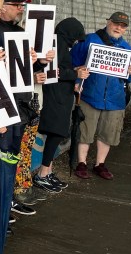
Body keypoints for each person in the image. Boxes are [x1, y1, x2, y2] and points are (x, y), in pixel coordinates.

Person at [0, 0, 53, 213]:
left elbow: (25, 68)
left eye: (22, 5)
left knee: (14, 154)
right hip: (2, 102)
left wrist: (41, 62)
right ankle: (2, 203)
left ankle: (10, 198)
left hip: (22, 103)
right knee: (2, 154)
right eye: (17, 5)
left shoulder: (19, 31)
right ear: (3, 6)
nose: (21, 9)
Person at [71, 11, 131, 180]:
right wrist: (77, 73)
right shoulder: (89, 40)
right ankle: (82, 163)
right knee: (85, 131)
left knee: (108, 133)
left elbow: (128, 77)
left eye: (123, 26)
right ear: (108, 22)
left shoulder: (128, 50)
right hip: (90, 95)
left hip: (114, 99)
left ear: (125, 29)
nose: (118, 27)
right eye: (116, 23)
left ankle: (99, 164)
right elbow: (72, 62)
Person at [32, 18, 90, 192]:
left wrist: (73, 77)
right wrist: (75, 73)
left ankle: (47, 172)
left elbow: (59, 70)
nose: (75, 42)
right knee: (55, 133)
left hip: (61, 96)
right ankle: (43, 174)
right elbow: (52, 72)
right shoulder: (55, 45)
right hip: (55, 97)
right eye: (74, 37)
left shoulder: (60, 45)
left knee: (56, 134)